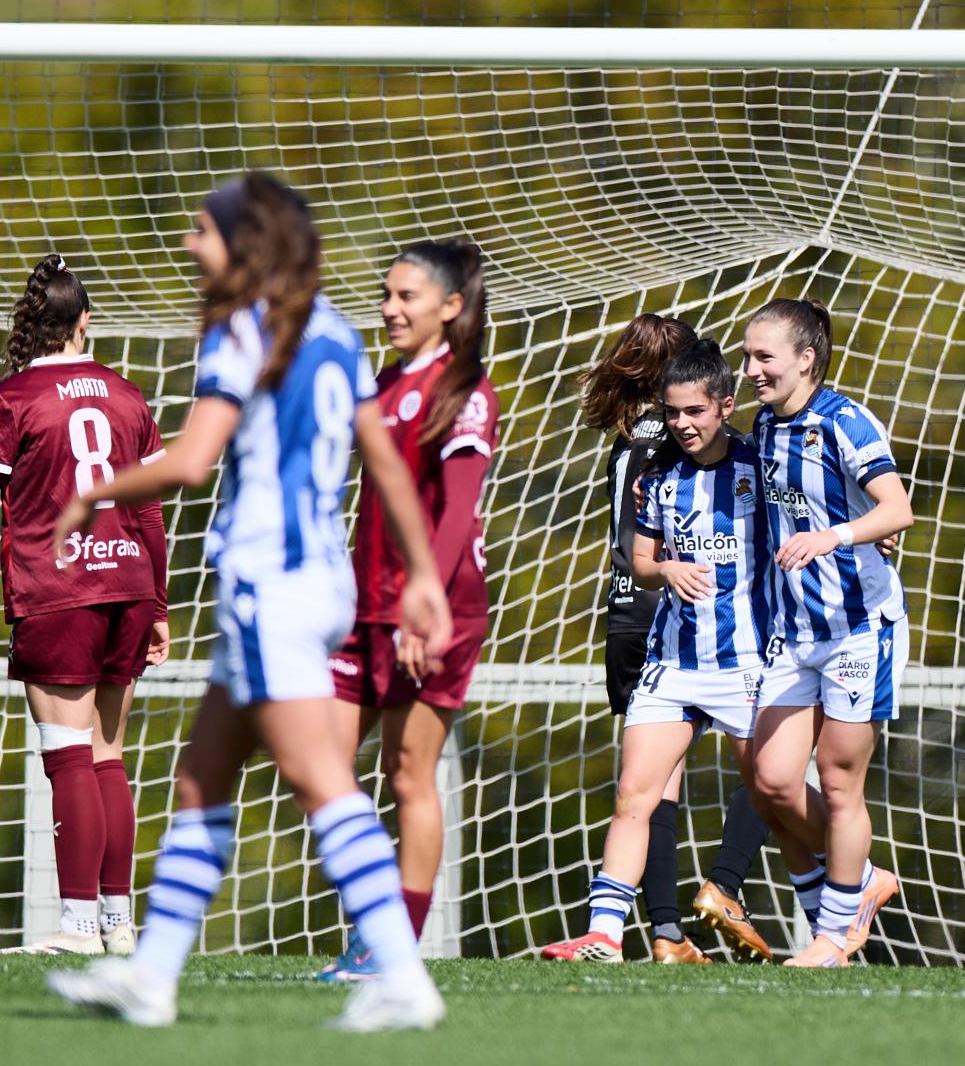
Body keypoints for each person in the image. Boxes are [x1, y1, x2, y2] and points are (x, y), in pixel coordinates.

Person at [43, 172, 453, 1032]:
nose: (189, 243)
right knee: (201, 781)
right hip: (315, 583)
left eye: (203, 228)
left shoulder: (242, 326)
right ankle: (151, 977)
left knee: (320, 781)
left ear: (245, 242)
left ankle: (404, 978)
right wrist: (421, 572)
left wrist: (92, 494)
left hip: (271, 584)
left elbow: (194, 460)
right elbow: (382, 460)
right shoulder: (335, 330)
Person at [0, 253, 169, 957]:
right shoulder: (127, 395)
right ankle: (118, 924)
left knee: (68, 754)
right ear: (85, 321)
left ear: (30, 323)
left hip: (59, 592)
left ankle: (77, 926)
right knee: (108, 754)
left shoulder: (13, 397)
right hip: (130, 583)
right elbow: (149, 512)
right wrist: (160, 604)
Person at [541, 341, 771, 963]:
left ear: (725, 406)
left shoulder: (760, 466)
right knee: (633, 797)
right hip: (671, 664)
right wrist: (666, 569)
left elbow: (813, 513)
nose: (682, 424)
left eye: (694, 411)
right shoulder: (660, 476)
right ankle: (604, 935)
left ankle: (823, 911)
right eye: (672, 413)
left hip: (748, 663)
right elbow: (639, 562)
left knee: (776, 789)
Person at [317, 240, 497, 982]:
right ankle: (377, 923)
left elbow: (457, 511)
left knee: (406, 774)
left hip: (436, 605)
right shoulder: (385, 381)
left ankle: (392, 947)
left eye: (406, 297)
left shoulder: (465, 390)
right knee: (320, 769)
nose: (389, 309)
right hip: (364, 606)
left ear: (450, 307)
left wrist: (427, 607)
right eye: (385, 295)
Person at [743, 298, 913, 967]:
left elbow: (896, 509)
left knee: (840, 785)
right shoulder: (764, 423)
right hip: (795, 632)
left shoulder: (844, 421)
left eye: (764, 357)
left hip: (857, 631)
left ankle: (832, 938)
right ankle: (862, 880)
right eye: (748, 356)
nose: (751, 370)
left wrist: (834, 537)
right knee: (770, 780)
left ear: (805, 359)